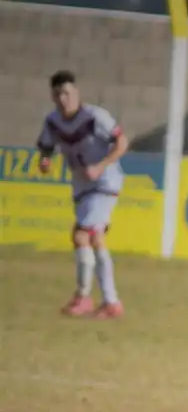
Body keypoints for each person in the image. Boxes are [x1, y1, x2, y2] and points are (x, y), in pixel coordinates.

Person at [37, 70, 130, 319]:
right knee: (96, 239)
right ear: (52, 97)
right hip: (82, 187)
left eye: (67, 93)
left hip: (105, 182)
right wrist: (45, 161)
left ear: (76, 93)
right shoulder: (53, 121)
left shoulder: (95, 117)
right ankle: (111, 302)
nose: (63, 99)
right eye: (58, 94)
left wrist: (100, 166)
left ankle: (83, 297)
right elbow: (46, 149)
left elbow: (122, 143)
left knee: (81, 236)